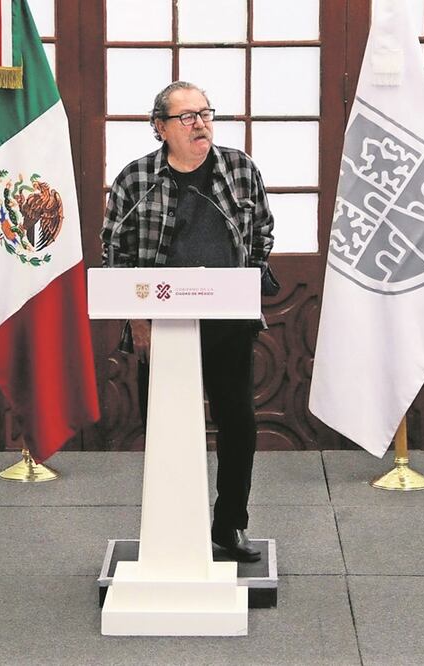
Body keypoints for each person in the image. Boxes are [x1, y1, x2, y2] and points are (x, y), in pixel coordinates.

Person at [101, 81, 275, 562]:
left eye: (205, 113)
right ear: (160, 128)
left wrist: (248, 283)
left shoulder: (239, 169)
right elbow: (114, 251)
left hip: (227, 322)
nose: (200, 124)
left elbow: (262, 229)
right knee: (163, 425)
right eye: (186, 117)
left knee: (238, 423)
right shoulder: (136, 180)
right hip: (161, 326)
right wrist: (138, 321)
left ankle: (229, 526)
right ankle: (174, 524)